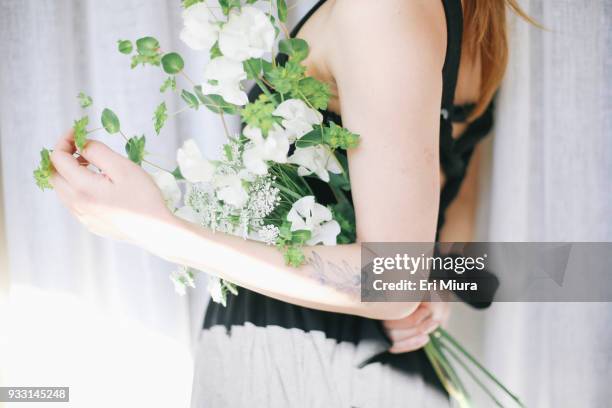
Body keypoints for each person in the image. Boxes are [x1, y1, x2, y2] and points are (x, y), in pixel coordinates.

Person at [49, 0, 530, 406]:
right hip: (374, 364)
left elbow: (393, 278)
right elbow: (454, 187)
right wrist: (438, 283)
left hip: (297, 361)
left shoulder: (383, 9)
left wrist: (155, 229)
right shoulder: (479, 25)